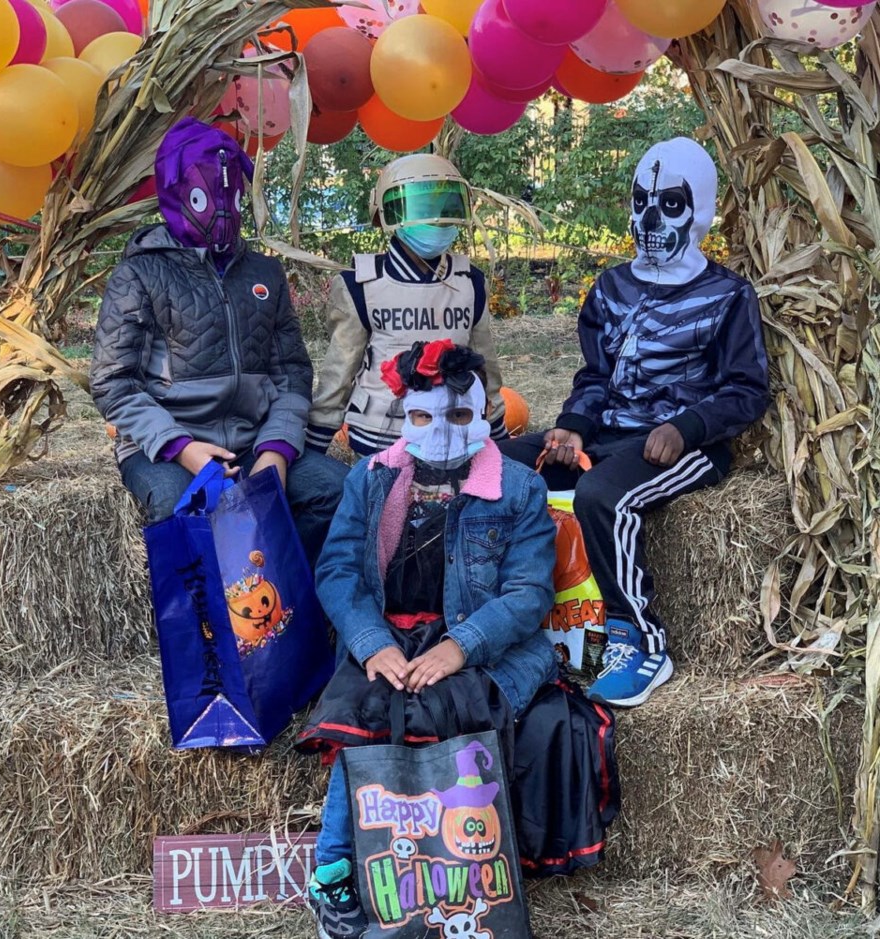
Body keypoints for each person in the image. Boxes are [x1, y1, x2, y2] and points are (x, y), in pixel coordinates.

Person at [297, 341, 618, 939]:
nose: (440, 430)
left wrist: (461, 646)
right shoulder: (370, 479)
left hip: (484, 643)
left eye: (459, 416)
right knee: (368, 708)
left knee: (445, 705)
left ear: (483, 415)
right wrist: (370, 642)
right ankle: (334, 869)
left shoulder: (519, 488)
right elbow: (338, 572)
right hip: (390, 633)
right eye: (422, 417)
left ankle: (456, 874)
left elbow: (528, 594)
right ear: (405, 415)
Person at [500, 137, 770, 709]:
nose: (649, 218)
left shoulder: (726, 295)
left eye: (669, 203)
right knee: (496, 465)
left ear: (698, 210)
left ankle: (640, 640)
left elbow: (748, 390)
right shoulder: (611, 287)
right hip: (609, 430)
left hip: (686, 443)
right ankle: (508, 615)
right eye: (640, 201)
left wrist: (689, 427)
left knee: (603, 496)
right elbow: (596, 372)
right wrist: (572, 425)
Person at [90, 117, 348, 565]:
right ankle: (211, 628)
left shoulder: (264, 273)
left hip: (254, 441)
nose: (222, 210)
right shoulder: (139, 274)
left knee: (337, 490)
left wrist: (277, 450)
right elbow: (114, 383)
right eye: (205, 195)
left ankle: (289, 603)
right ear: (175, 193)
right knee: (177, 512)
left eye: (231, 195)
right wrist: (182, 448)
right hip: (168, 449)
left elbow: (291, 372)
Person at [304, 154, 510, 457]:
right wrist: (315, 445)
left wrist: (498, 433)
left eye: (444, 207)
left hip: (455, 431)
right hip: (380, 436)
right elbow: (340, 370)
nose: (436, 219)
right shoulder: (359, 284)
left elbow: (484, 363)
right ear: (387, 213)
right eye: (422, 208)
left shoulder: (470, 281)